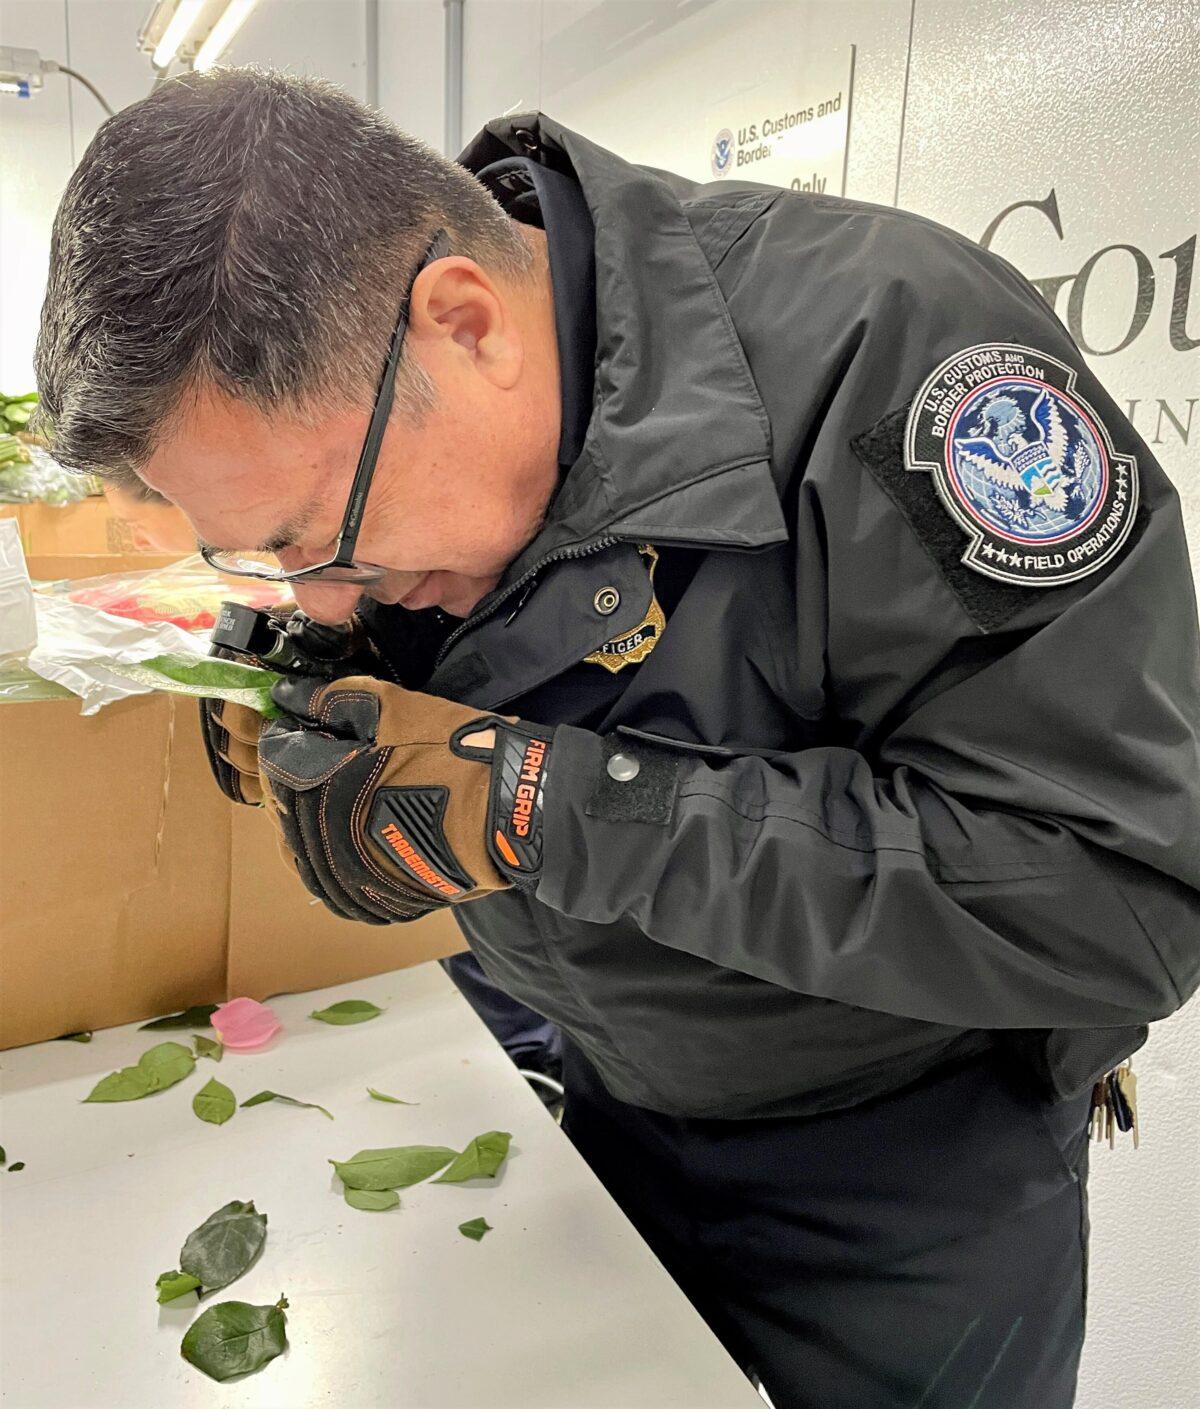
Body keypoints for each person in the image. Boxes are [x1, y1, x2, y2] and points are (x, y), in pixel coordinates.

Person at [34, 69, 1200, 1409]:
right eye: (255, 556)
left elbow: (1122, 893)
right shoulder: (391, 443)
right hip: (613, 1095)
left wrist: (549, 806)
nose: (315, 591)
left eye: (312, 537)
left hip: (908, 1169)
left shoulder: (898, 363)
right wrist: (304, 694)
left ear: (463, 323)